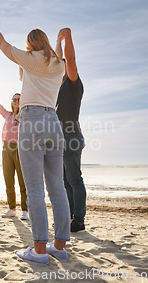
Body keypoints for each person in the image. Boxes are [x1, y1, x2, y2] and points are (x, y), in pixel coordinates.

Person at [0, 5, 71, 265]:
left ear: (30, 46)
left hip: (31, 121)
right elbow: (56, 57)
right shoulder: (58, 65)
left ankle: (40, 251)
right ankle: (60, 247)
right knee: (57, 187)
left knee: (34, 190)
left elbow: (0, 42)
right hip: (54, 121)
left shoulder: (29, 59)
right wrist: (57, 43)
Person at [55, 28, 86, 233]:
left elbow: (69, 59)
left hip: (72, 137)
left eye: (63, 68)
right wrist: (56, 40)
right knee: (65, 180)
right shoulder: (57, 89)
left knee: (74, 179)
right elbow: (58, 61)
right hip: (59, 139)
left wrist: (67, 38)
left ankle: (79, 220)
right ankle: (70, 218)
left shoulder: (73, 85)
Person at [0, 80, 29, 220]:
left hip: (20, 149)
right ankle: (12, 208)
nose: (17, 101)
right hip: (6, 149)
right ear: (11, 102)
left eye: (19, 99)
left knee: (23, 181)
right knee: (8, 180)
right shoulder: (7, 115)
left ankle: (25, 210)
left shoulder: (26, 115)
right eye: (15, 99)